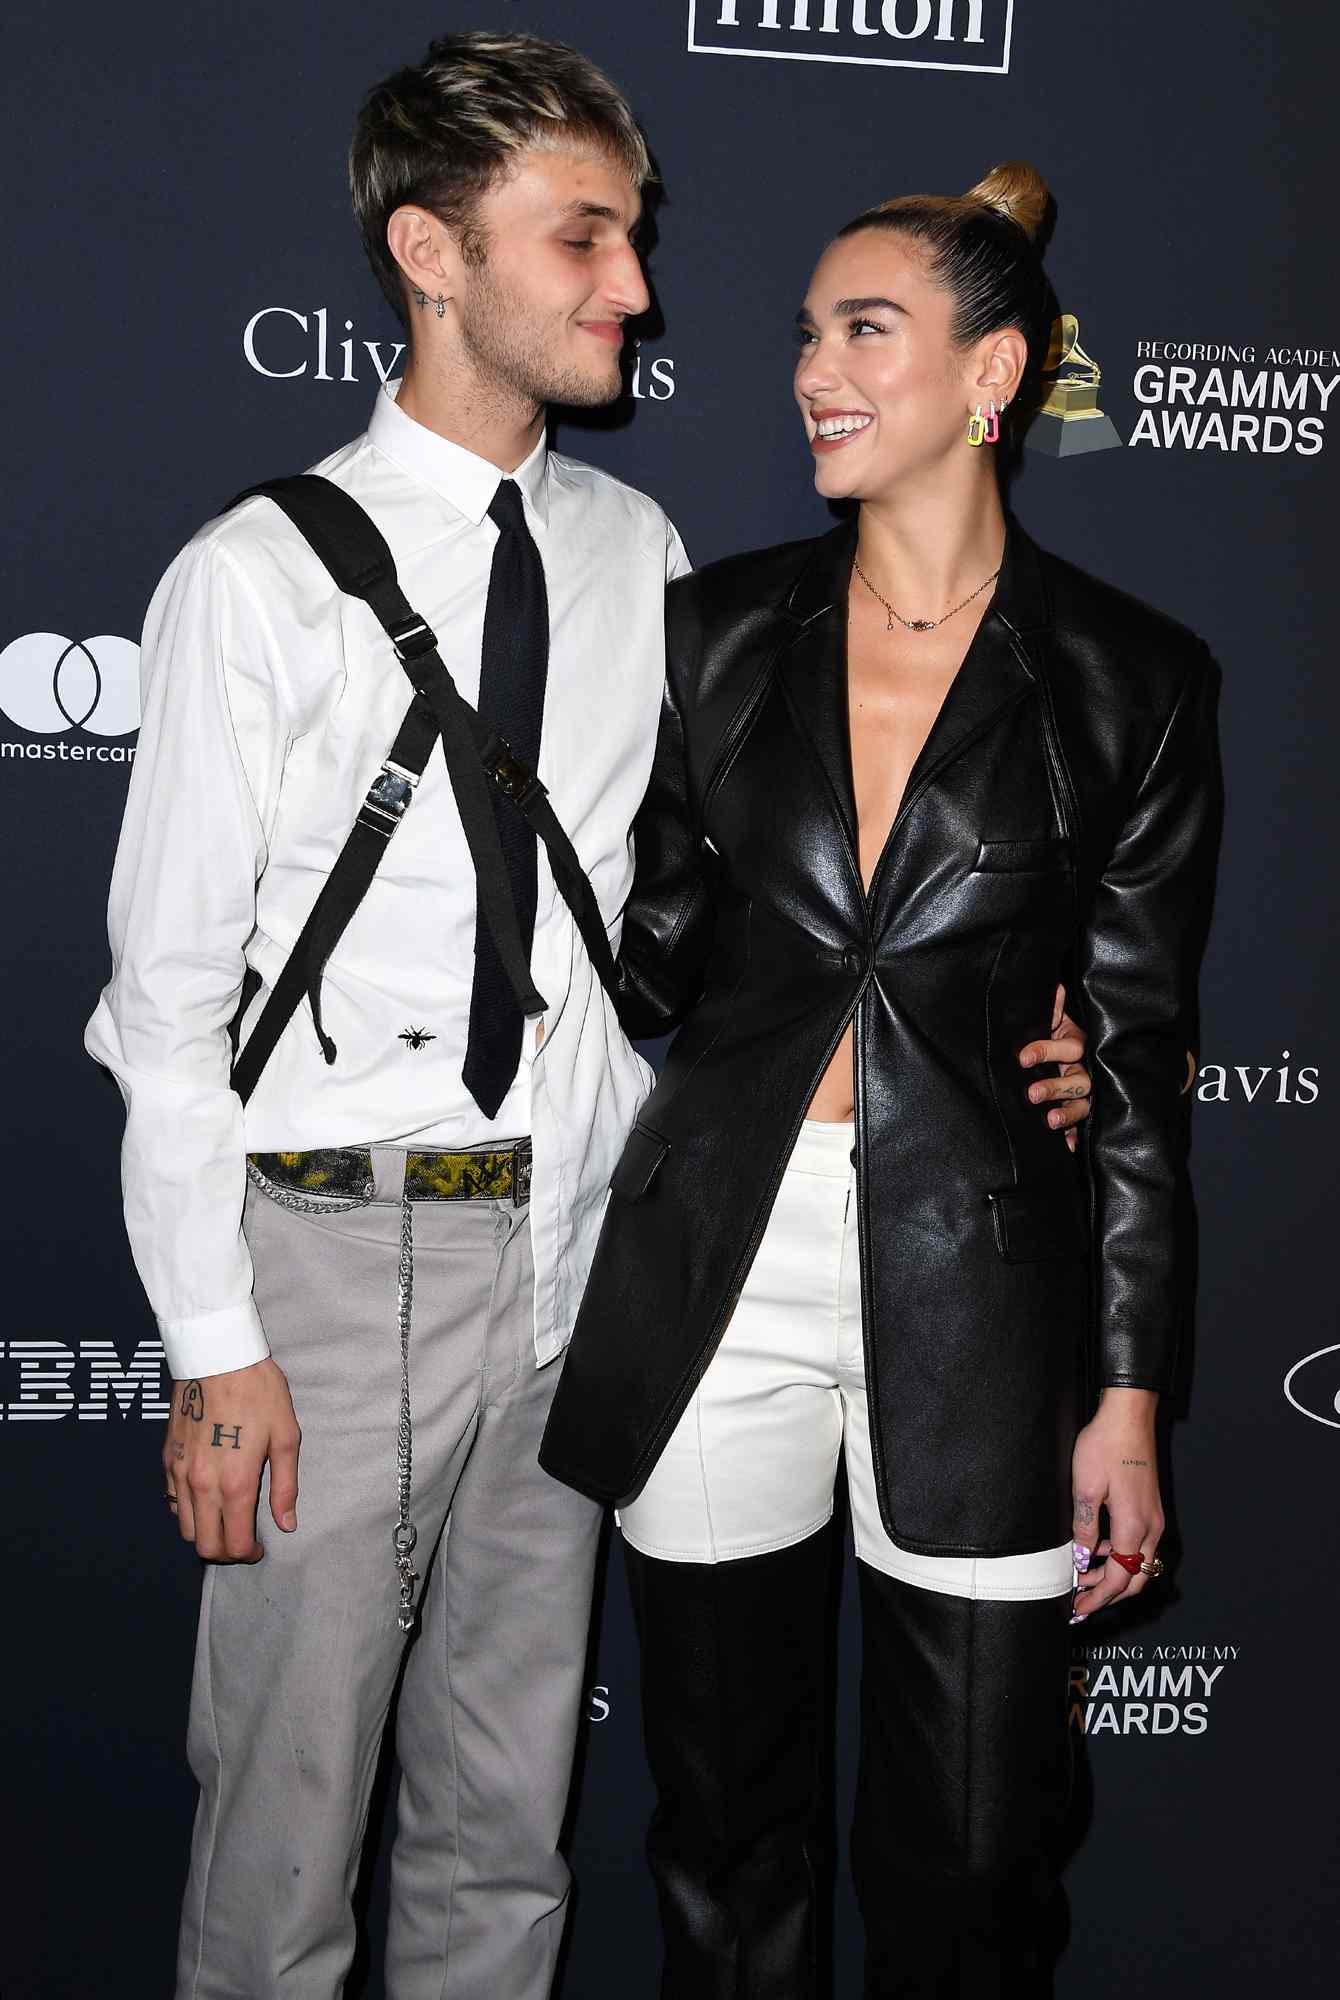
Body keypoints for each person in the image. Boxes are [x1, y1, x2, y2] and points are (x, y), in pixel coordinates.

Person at [86, 26, 1089, 1988]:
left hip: (581, 1265)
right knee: (279, 1854)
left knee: (505, 1836)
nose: (634, 284)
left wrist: (1021, 1042)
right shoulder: (254, 581)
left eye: (630, 237)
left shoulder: (646, 564)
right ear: (431, 253)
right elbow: (165, 1001)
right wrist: (214, 1342)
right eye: (584, 238)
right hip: (326, 1256)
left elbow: (725, 926)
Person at [541, 161, 1222, 1997]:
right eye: (806, 336)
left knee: (981, 1851)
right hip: (724, 1272)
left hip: (986, 1286)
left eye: (865, 330)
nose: (812, 374)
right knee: (726, 1823)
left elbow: (1140, 1071)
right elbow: (658, 953)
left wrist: (1131, 1395)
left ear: (992, 376)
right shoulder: (721, 632)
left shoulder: (1130, 680)